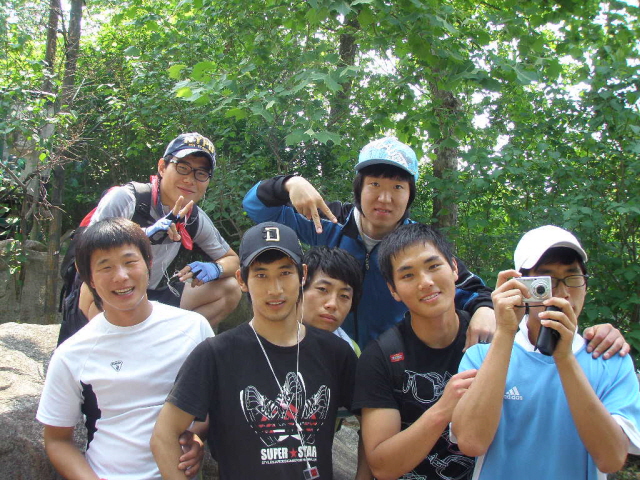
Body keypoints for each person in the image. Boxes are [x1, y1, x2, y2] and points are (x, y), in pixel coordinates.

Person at [243, 137, 495, 349]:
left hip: (394, 358)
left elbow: (469, 287)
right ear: (359, 188)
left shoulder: (417, 245)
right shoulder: (331, 221)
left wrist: (485, 309)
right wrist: (290, 183)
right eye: (374, 184)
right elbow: (256, 208)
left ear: (410, 196)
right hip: (329, 349)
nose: (384, 198)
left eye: (397, 187)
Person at [151, 222, 357, 479]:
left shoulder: (336, 353)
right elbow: (163, 435)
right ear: (242, 280)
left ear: (302, 275)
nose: (275, 289)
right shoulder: (216, 354)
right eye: (261, 275)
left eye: (285, 273)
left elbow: (373, 419)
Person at [451, 225, 640, 479]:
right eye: (545, 281)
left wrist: (564, 358)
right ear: (520, 286)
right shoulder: (481, 357)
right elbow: (471, 442)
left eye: (573, 277)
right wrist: (505, 331)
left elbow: (611, 459)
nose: (562, 293)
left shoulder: (610, 359)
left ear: (585, 284)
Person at [36, 217, 213, 480]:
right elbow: (57, 440)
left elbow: (212, 406)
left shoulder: (192, 328)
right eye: (105, 267)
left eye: (130, 262)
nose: (121, 276)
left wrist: (197, 436)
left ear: (148, 262)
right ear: (88, 277)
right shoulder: (73, 353)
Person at [353, 223, 479, 480]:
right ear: (393, 290)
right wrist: (443, 410)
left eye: (433, 266)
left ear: (454, 268)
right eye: (408, 275)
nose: (426, 282)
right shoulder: (381, 357)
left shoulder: (490, 340)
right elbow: (382, 466)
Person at [78, 132, 240, 329]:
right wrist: (142, 235)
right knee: (89, 288)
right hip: (113, 291)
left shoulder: (193, 217)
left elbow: (232, 260)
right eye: (183, 168)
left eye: (201, 174)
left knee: (230, 288)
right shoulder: (128, 199)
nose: (190, 180)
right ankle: (114, 342)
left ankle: (175, 342)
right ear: (162, 167)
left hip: (150, 295)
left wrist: (214, 269)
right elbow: (83, 260)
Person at [301, 246, 363, 354]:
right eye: (323, 289)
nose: (332, 304)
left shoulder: (351, 351)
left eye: (344, 296)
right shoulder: (271, 340)